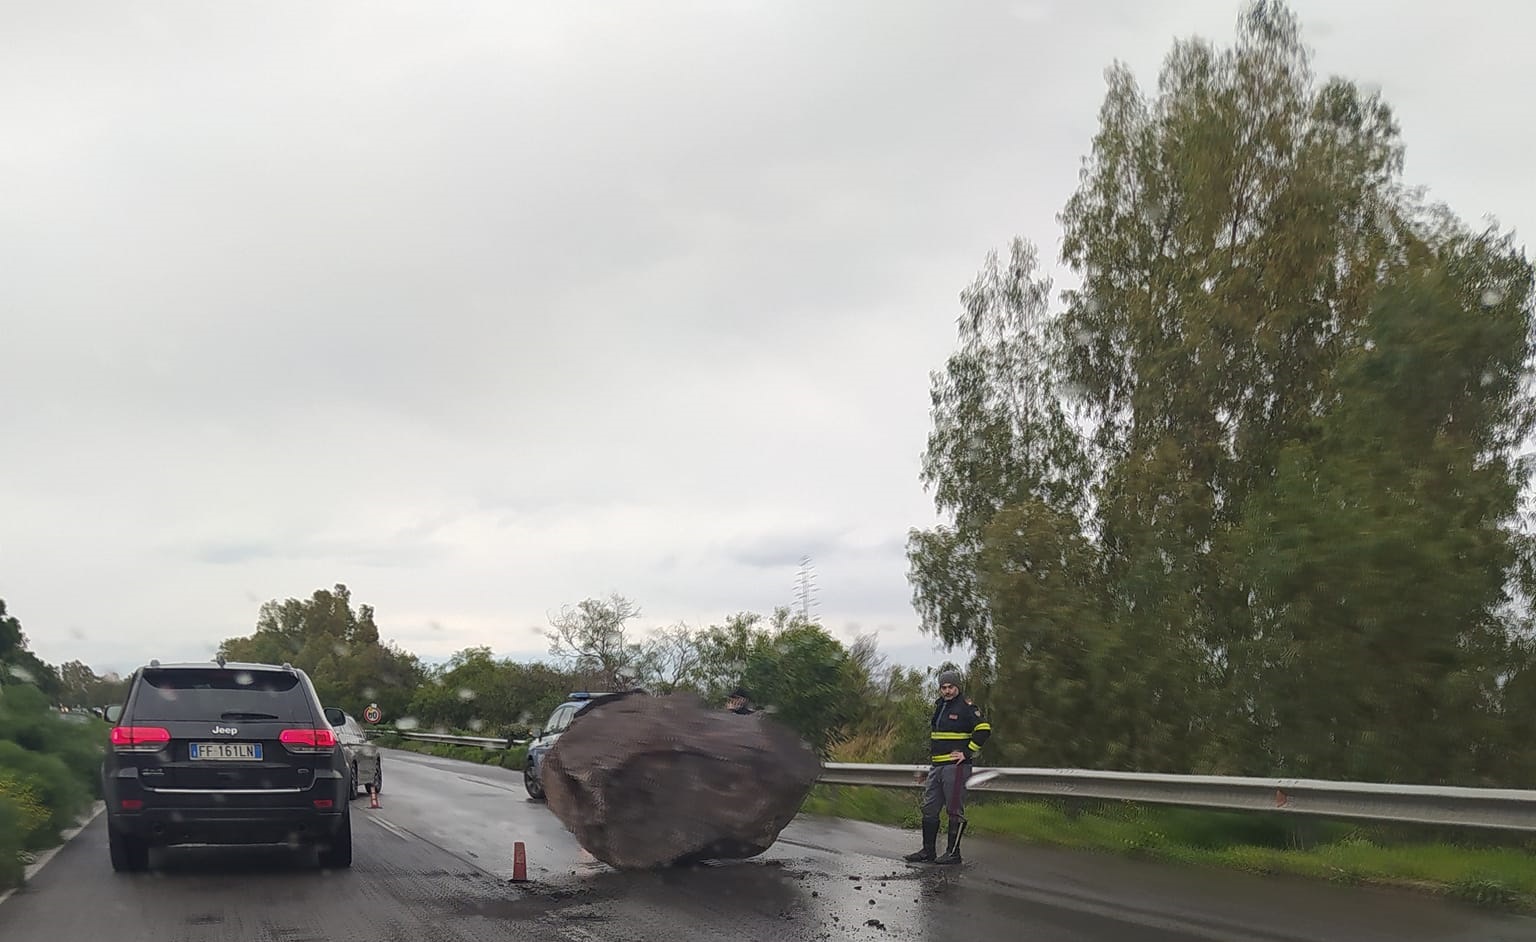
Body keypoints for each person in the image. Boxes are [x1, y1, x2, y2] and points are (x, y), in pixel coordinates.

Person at [903, 669, 990, 865]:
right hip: (937, 765)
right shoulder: (940, 706)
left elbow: (984, 729)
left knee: (953, 809)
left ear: (957, 687)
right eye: (943, 687)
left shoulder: (966, 707)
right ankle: (928, 851)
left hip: (956, 767)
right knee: (929, 807)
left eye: (951, 687)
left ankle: (953, 853)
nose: (947, 691)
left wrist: (967, 752)